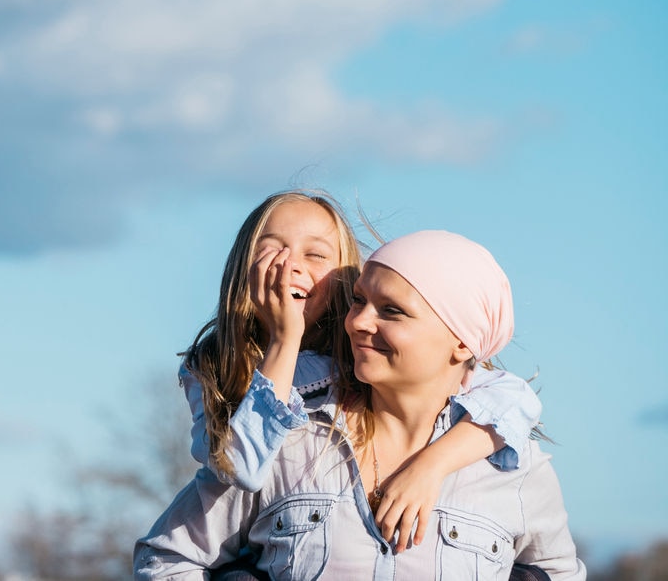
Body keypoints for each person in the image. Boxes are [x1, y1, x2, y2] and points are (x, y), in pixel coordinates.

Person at [135, 229, 585, 580]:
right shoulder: (289, 438)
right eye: (358, 301)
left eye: (392, 311)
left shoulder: (517, 470)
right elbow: (169, 556)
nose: (359, 322)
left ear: (463, 341)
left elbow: (559, 573)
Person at [180, 191, 539, 549]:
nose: (289, 265)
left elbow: (514, 400)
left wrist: (432, 465)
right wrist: (284, 340)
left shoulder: (362, 355)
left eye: (315, 254)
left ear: (344, 276)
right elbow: (241, 467)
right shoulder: (213, 363)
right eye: (271, 248)